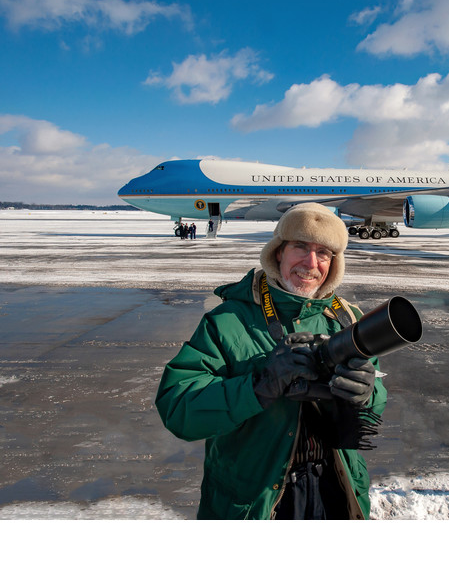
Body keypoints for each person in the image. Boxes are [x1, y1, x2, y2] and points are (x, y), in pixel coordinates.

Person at [155, 202, 388, 519]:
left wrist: (368, 393)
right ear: (279, 252)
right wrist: (257, 387)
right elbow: (178, 408)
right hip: (256, 498)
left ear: (334, 263)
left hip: (337, 487)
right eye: (301, 247)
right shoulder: (229, 321)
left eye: (324, 253)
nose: (311, 262)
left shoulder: (346, 319)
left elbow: (374, 402)